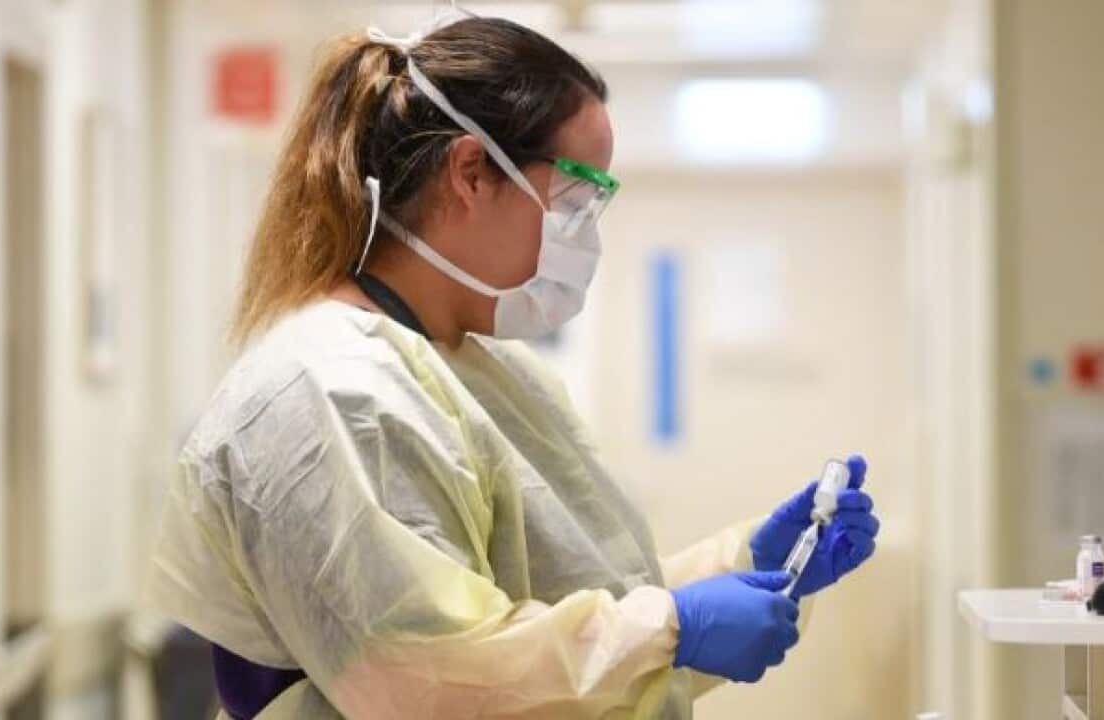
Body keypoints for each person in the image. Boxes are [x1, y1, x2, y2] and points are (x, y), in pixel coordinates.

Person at [148, 13, 880, 720]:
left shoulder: (481, 372)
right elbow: (433, 681)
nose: (585, 233)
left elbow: (556, 626)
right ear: (470, 171)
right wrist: (675, 627)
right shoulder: (336, 391)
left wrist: (745, 564)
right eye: (574, 197)